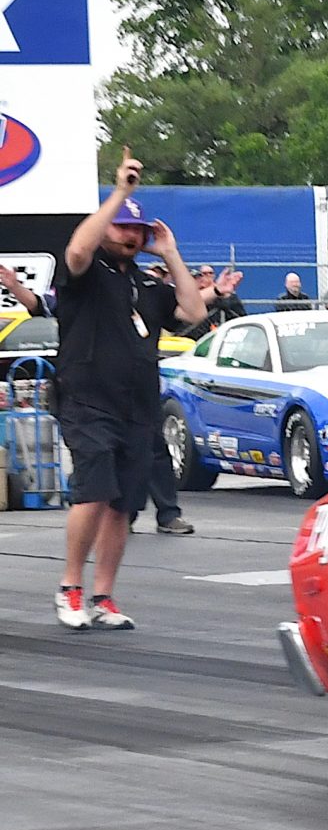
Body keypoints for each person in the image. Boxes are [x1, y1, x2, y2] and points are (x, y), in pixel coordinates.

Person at [52, 152, 206, 629]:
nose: (131, 237)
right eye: (122, 228)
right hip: (86, 400)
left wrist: (171, 254)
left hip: (138, 408)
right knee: (94, 491)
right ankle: (71, 587)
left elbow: (195, 312)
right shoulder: (85, 274)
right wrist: (120, 193)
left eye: (137, 231)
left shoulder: (147, 283)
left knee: (123, 504)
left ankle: (104, 597)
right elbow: (78, 251)